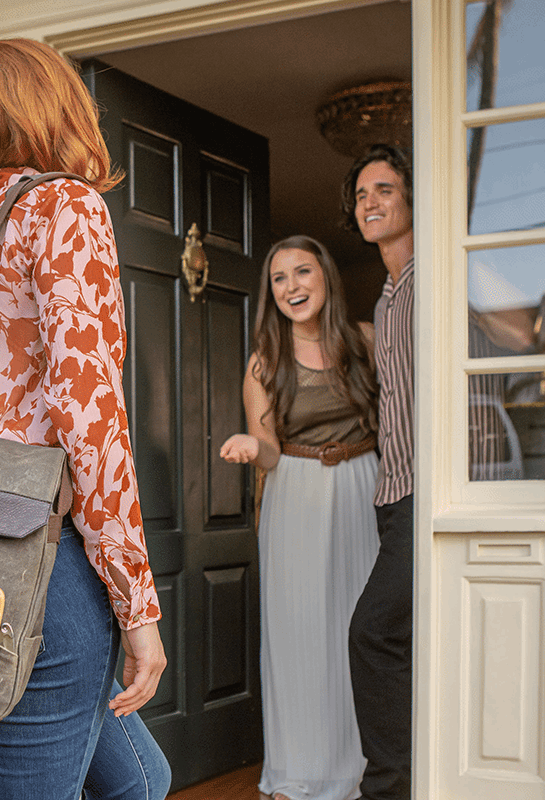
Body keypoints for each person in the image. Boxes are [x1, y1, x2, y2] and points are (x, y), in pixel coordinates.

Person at [0, 38, 171, 800]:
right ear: (59, 104)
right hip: (39, 568)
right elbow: (91, 421)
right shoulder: (66, 207)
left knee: (143, 779)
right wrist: (138, 607)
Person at [220, 235, 380, 800]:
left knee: (359, 631)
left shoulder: (365, 340)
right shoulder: (265, 362)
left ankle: (363, 768)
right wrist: (249, 444)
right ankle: (300, 772)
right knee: (301, 635)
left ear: (326, 277)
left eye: (302, 272)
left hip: (365, 487)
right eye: (279, 278)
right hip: (296, 492)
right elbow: (269, 449)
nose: (291, 287)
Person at [341, 144, 414, 800]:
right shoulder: (389, 296)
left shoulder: (438, 277)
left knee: (371, 631)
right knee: (404, 638)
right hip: (393, 495)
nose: (369, 203)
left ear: (414, 200)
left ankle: (388, 788)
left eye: (383, 189)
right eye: (362, 195)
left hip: (435, 489)